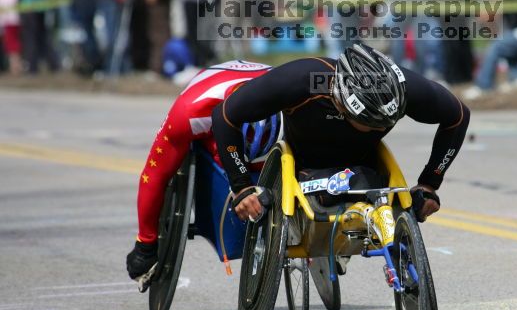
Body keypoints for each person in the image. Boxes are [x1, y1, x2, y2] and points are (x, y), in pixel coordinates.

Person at [210, 44, 470, 227]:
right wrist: (241, 185)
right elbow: (224, 115)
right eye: (369, 122)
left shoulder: (404, 88)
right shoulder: (304, 79)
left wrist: (429, 183)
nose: (380, 129)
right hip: (302, 162)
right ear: (341, 104)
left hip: (362, 165)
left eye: (386, 123)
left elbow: (458, 116)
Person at [125, 59, 281, 284]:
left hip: (268, 98)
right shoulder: (191, 111)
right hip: (209, 102)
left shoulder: (293, 106)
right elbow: (154, 175)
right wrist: (145, 244)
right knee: (164, 165)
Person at [0, 0, 22, 75]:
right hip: (5, 17)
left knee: (13, 43)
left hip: (11, 17)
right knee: (9, 43)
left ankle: (16, 67)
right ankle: (12, 66)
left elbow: (9, 0)